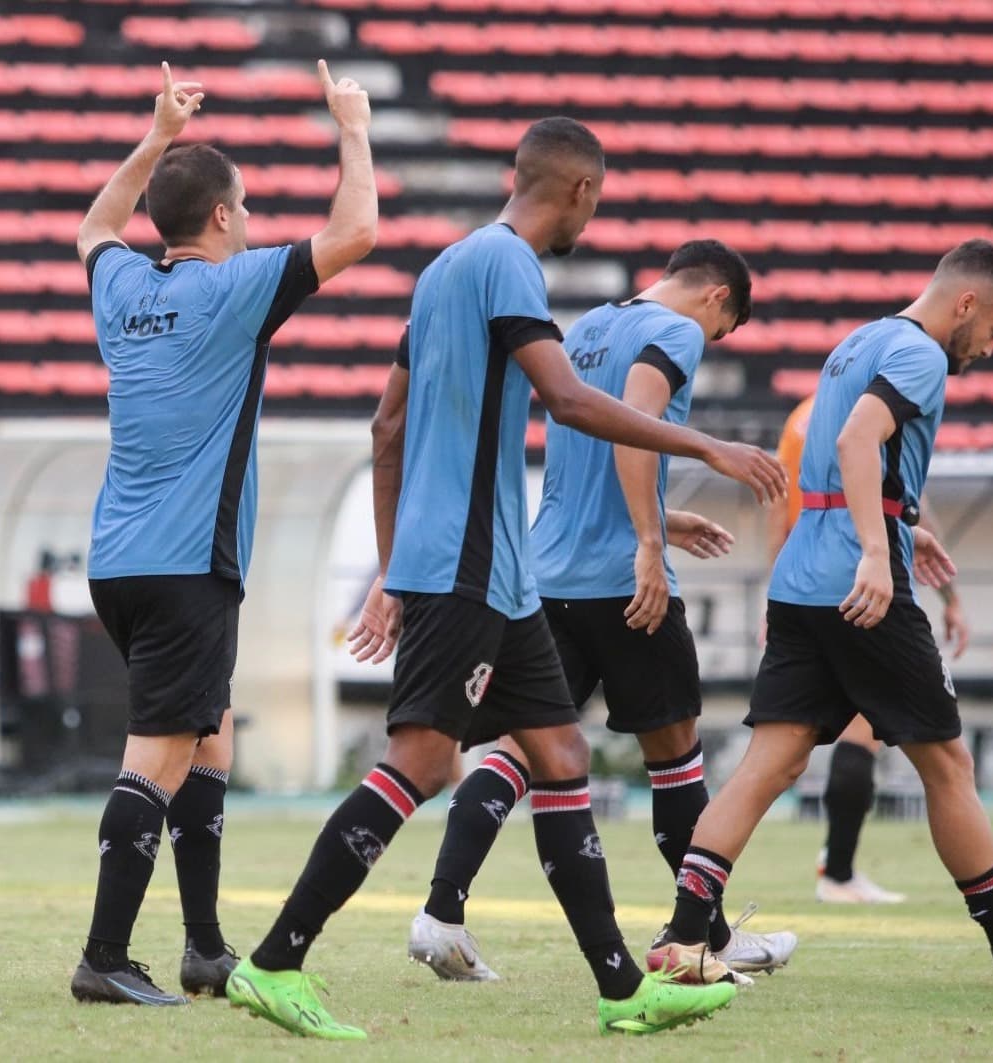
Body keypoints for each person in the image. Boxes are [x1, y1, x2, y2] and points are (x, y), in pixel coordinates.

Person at [225, 118, 786, 1041]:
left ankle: (620, 989)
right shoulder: (513, 265)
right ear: (580, 195)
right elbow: (566, 398)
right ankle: (276, 960)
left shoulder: (441, 269)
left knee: (561, 758)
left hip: (505, 573)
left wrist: (391, 566)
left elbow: (385, 427)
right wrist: (707, 444)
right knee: (420, 760)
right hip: (474, 563)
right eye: (593, 205)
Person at [404, 240, 796, 986]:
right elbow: (640, 419)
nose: (711, 344)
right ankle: (700, 937)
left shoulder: (584, 328)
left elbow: (584, 456)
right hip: (623, 580)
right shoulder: (677, 331)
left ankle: (442, 913)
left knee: (520, 753)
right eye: (725, 332)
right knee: (676, 760)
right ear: (717, 298)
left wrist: (663, 518)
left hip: (546, 573)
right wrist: (650, 543)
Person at [70, 60, 376, 1006]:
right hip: (186, 563)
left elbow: (92, 226)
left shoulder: (122, 285)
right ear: (222, 219)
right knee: (157, 758)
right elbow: (357, 230)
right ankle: (104, 959)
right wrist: (353, 126)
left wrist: (157, 136)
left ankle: (204, 947)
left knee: (211, 741)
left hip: (118, 559)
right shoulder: (235, 288)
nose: (246, 219)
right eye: (240, 206)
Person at [647, 239, 993, 984]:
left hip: (800, 579)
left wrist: (901, 525)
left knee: (768, 763)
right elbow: (856, 439)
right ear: (966, 301)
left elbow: (842, 464)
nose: (991, 345)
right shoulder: (922, 354)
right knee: (948, 763)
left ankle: (683, 938)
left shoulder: (856, 342)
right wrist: (878, 549)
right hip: (858, 586)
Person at [768, 395, 970, 905]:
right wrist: (952, 597)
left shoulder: (800, 420)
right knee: (886, 740)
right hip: (860, 577)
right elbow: (911, 504)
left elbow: (777, 506)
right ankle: (838, 871)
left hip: (801, 585)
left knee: (777, 753)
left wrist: (776, 596)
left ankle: (700, 899)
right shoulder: (876, 412)